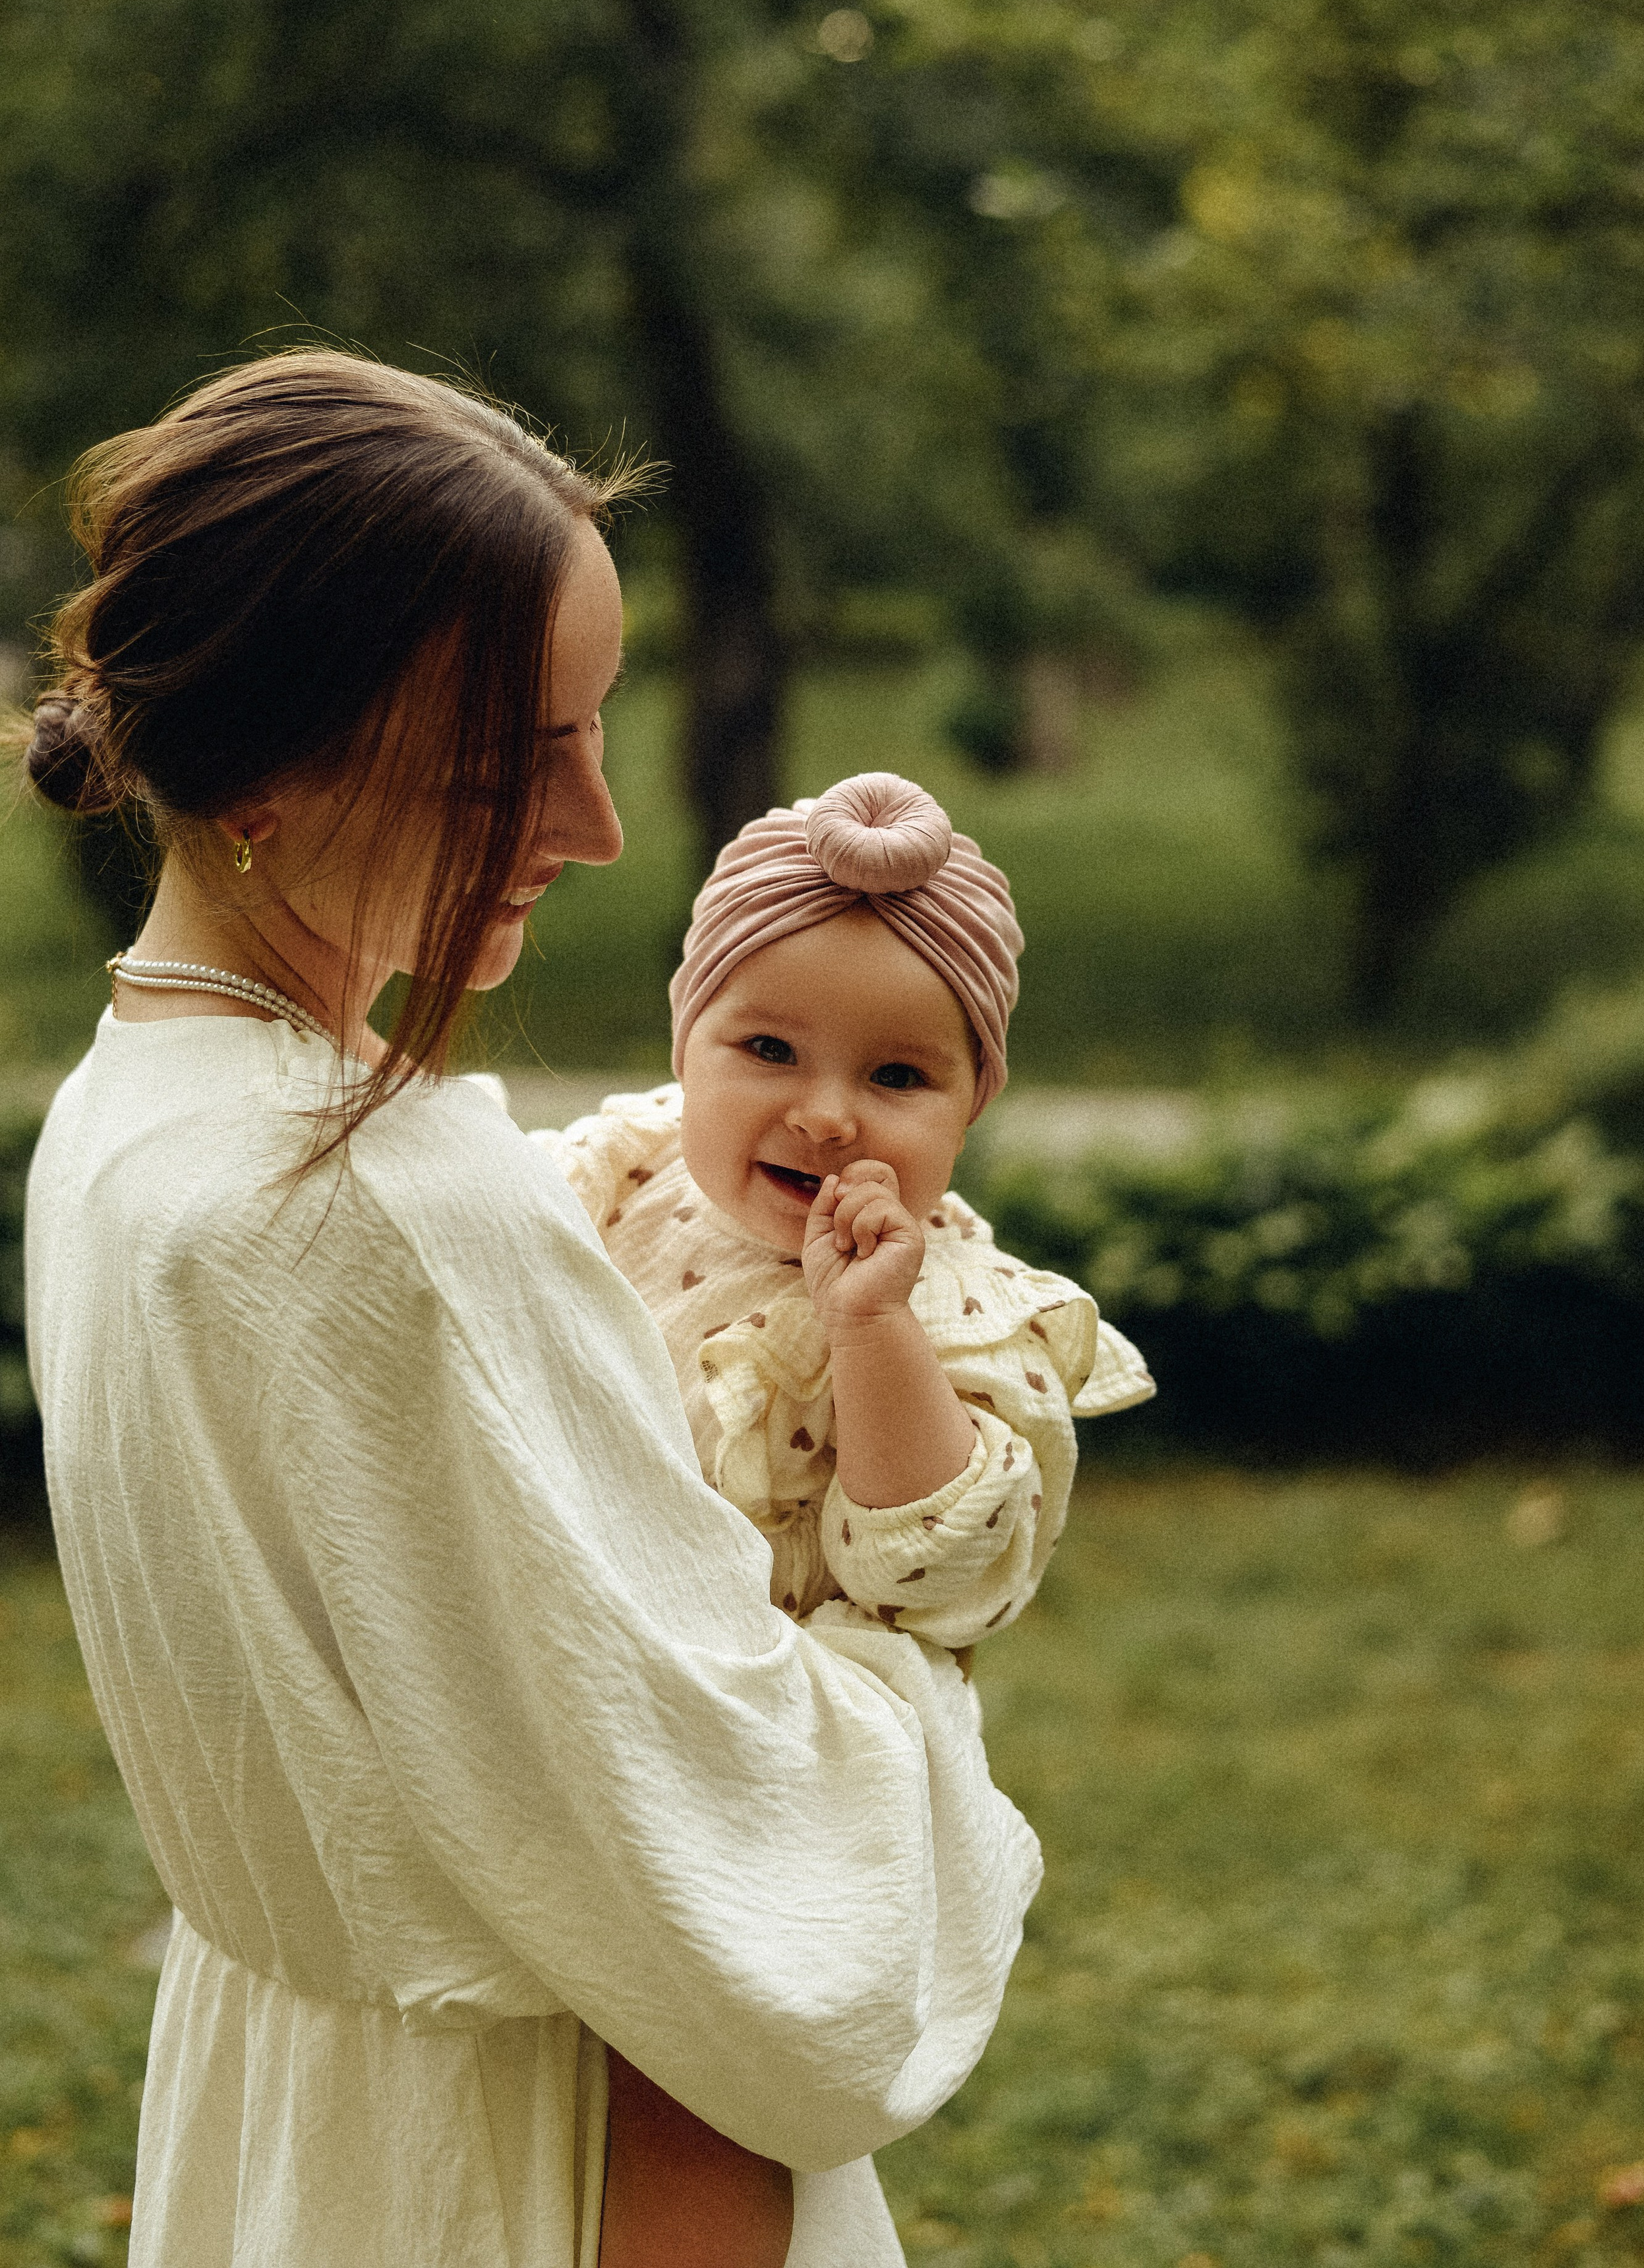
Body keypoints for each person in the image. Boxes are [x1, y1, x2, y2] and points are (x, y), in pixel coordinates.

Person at [18, 350, 1043, 2268]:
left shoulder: (123, 1115)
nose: (596, 827)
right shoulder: (388, 1207)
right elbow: (721, 1847)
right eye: (508, 764)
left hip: (302, 2104)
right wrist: (916, 1678)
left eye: (597, 729)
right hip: (533, 2156)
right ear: (259, 765)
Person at [533, 771, 1154, 2255]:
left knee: (692, 2092)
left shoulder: (949, 1309)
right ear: (679, 1042)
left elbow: (948, 1567)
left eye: (895, 1079)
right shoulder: (612, 1183)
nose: (822, 1113)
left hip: (765, 1761)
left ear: (972, 1103)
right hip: (585, 1698)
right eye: (764, 1048)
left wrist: (870, 1335)